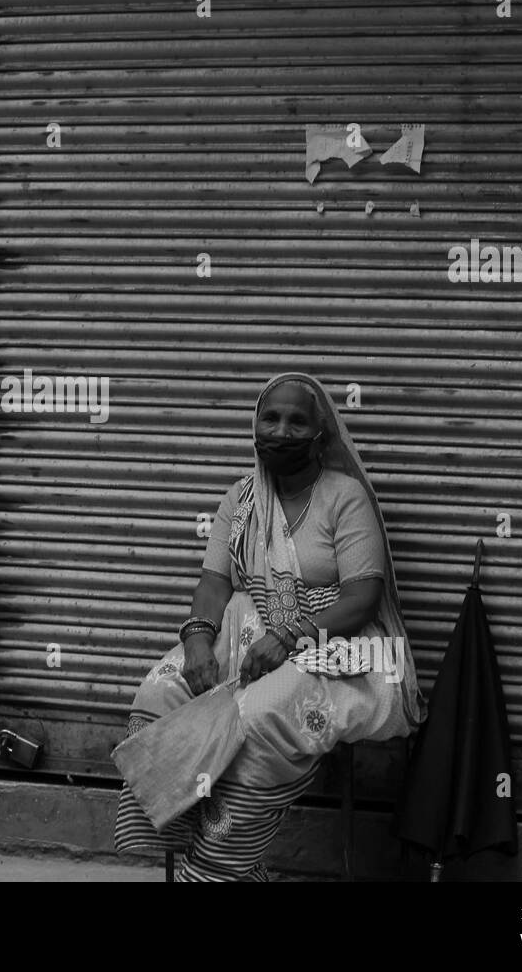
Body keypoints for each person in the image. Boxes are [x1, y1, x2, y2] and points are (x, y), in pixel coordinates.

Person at [113, 372, 427, 881]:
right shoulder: (240, 499)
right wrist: (197, 640)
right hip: (255, 630)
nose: (281, 431)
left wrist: (289, 636)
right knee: (163, 691)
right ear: (254, 426)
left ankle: (223, 867)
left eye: (297, 421)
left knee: (256, 716)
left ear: (320, 436)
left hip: (337, 646)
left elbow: (362, 598)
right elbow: (213, 582)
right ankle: (178, 828)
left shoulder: (344, 497)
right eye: (271, 418)